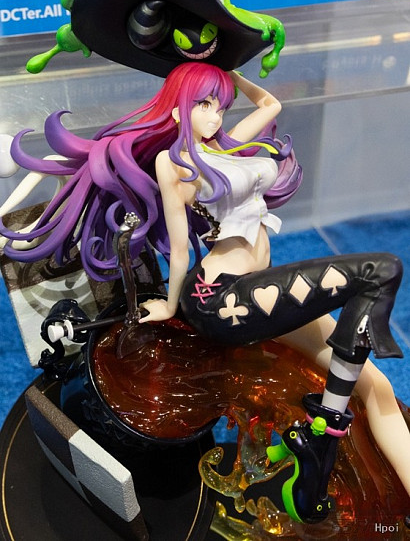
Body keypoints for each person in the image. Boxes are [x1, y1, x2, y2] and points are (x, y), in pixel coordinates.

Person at [0, 63, 408, 523]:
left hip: (264, 293)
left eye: (221, 106)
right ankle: (325, 429)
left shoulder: (223, 146)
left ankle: (339, 451)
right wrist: (169, 304)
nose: (215, 116)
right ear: (178, 109)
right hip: (223, 298)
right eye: (204, 104)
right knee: (379, 271)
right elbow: (179, 250)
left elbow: (271, 104)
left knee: (376, 385)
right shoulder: (174, 163)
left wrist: (232, 67)